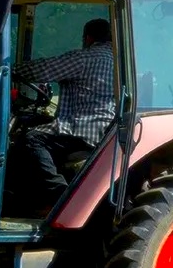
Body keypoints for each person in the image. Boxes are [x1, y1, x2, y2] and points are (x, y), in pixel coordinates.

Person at [8, 17, 116, 214]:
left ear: (88, 38)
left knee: (31, 139)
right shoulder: (120, 62)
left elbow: (45, 68)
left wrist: (10, 70)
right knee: (45, 131)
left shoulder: (86, 58)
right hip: (107, 133)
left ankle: (60, 196)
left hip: (82, 129)